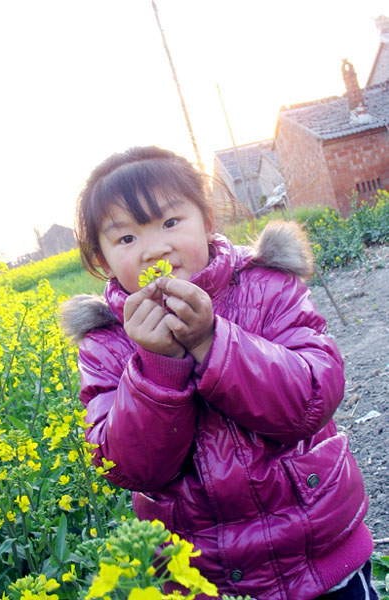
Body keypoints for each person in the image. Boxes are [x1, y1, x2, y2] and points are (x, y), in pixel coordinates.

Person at [61, 146, 376, 600]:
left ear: (207, 222)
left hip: (320, 554)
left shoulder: (267, 286)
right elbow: (131, 467)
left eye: (171, 223)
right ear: (103, 260)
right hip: (208, 577)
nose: (154, 249)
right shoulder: (107, 344)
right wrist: (157, 368)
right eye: (125, 239)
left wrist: (213, 341)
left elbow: (314, 396)